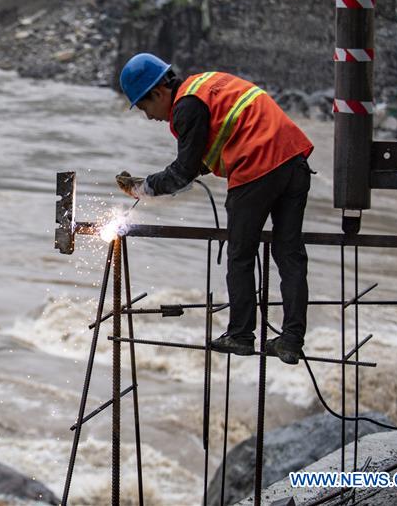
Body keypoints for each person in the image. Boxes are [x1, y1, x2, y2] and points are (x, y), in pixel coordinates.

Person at [115, 53, 314, 365]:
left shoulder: (186, 106)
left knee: (240, 254)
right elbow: (204, 158)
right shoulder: (205, 87)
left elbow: (182, 172)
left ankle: (241, 335)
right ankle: (291, 340)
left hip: (258, 167)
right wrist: (160, 181)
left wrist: (143, 188)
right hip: (294, 161)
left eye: (145, 107)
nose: (149, 116)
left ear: (158, 92)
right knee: (289, 253)